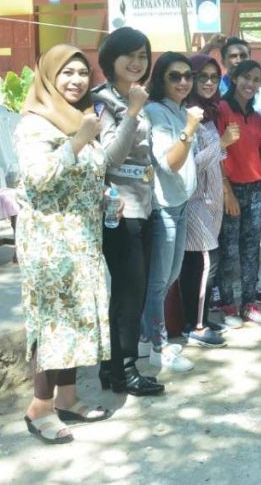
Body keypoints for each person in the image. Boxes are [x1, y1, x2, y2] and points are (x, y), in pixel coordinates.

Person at [15, 44, 112, 444]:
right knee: (53, 323)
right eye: (67, 73)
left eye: (83, 73)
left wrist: (105, 196)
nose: (76, 81)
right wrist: (79, 141)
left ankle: (68, 397)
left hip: (83, 237)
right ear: (49, 76)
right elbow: (38, 178)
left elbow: (86, 174)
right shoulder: (35, 124)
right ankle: (39, 406)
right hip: (49, 242)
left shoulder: (79, 117)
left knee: (76, 319)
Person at [92, 28, 164, 397]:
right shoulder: (104, 102)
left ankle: (112, 367)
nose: (137, 63)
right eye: (129, 56)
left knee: (128, 292)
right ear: (111, 60)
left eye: (142, 55)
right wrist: (133, 113)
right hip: (118, 210)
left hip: (142, 206)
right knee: (128, 292)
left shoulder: (129, 96)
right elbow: (108, 158)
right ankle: (123, 371)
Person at [142, 53, 201, 373]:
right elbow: (169, 163)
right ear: (160, 79)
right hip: (163, 207)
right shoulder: (156, 111)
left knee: (171, 275)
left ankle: (146, 335)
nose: (183, 82)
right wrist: (190, 128)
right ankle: (158, 346)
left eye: (187, 75)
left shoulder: (177, 110)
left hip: (180, 203)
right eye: (174, 76)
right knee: (159, 280)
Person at [179, 54, 238, 347]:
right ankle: (195, 325)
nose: (209, 82)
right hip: (195, 203)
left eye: (214, 78)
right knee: (204, 264)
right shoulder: (188, 115)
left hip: (212, 200)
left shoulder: (210, 111)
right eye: (202, 77)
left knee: (203, 265)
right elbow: (190, 163)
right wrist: (222, 143)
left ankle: (199, 317)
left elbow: (215, 159)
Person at [216, 60, 261, 326]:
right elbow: (216, 154)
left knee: (251, 248)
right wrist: (227, 191)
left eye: (256, 79)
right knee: (229, 249)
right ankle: (228, 303)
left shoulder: (258, 116)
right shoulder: (222, 110)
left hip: (256, 187)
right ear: (234, 78)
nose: (250, 84)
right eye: (245, 78)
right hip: (231, 187)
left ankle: (249, 302)